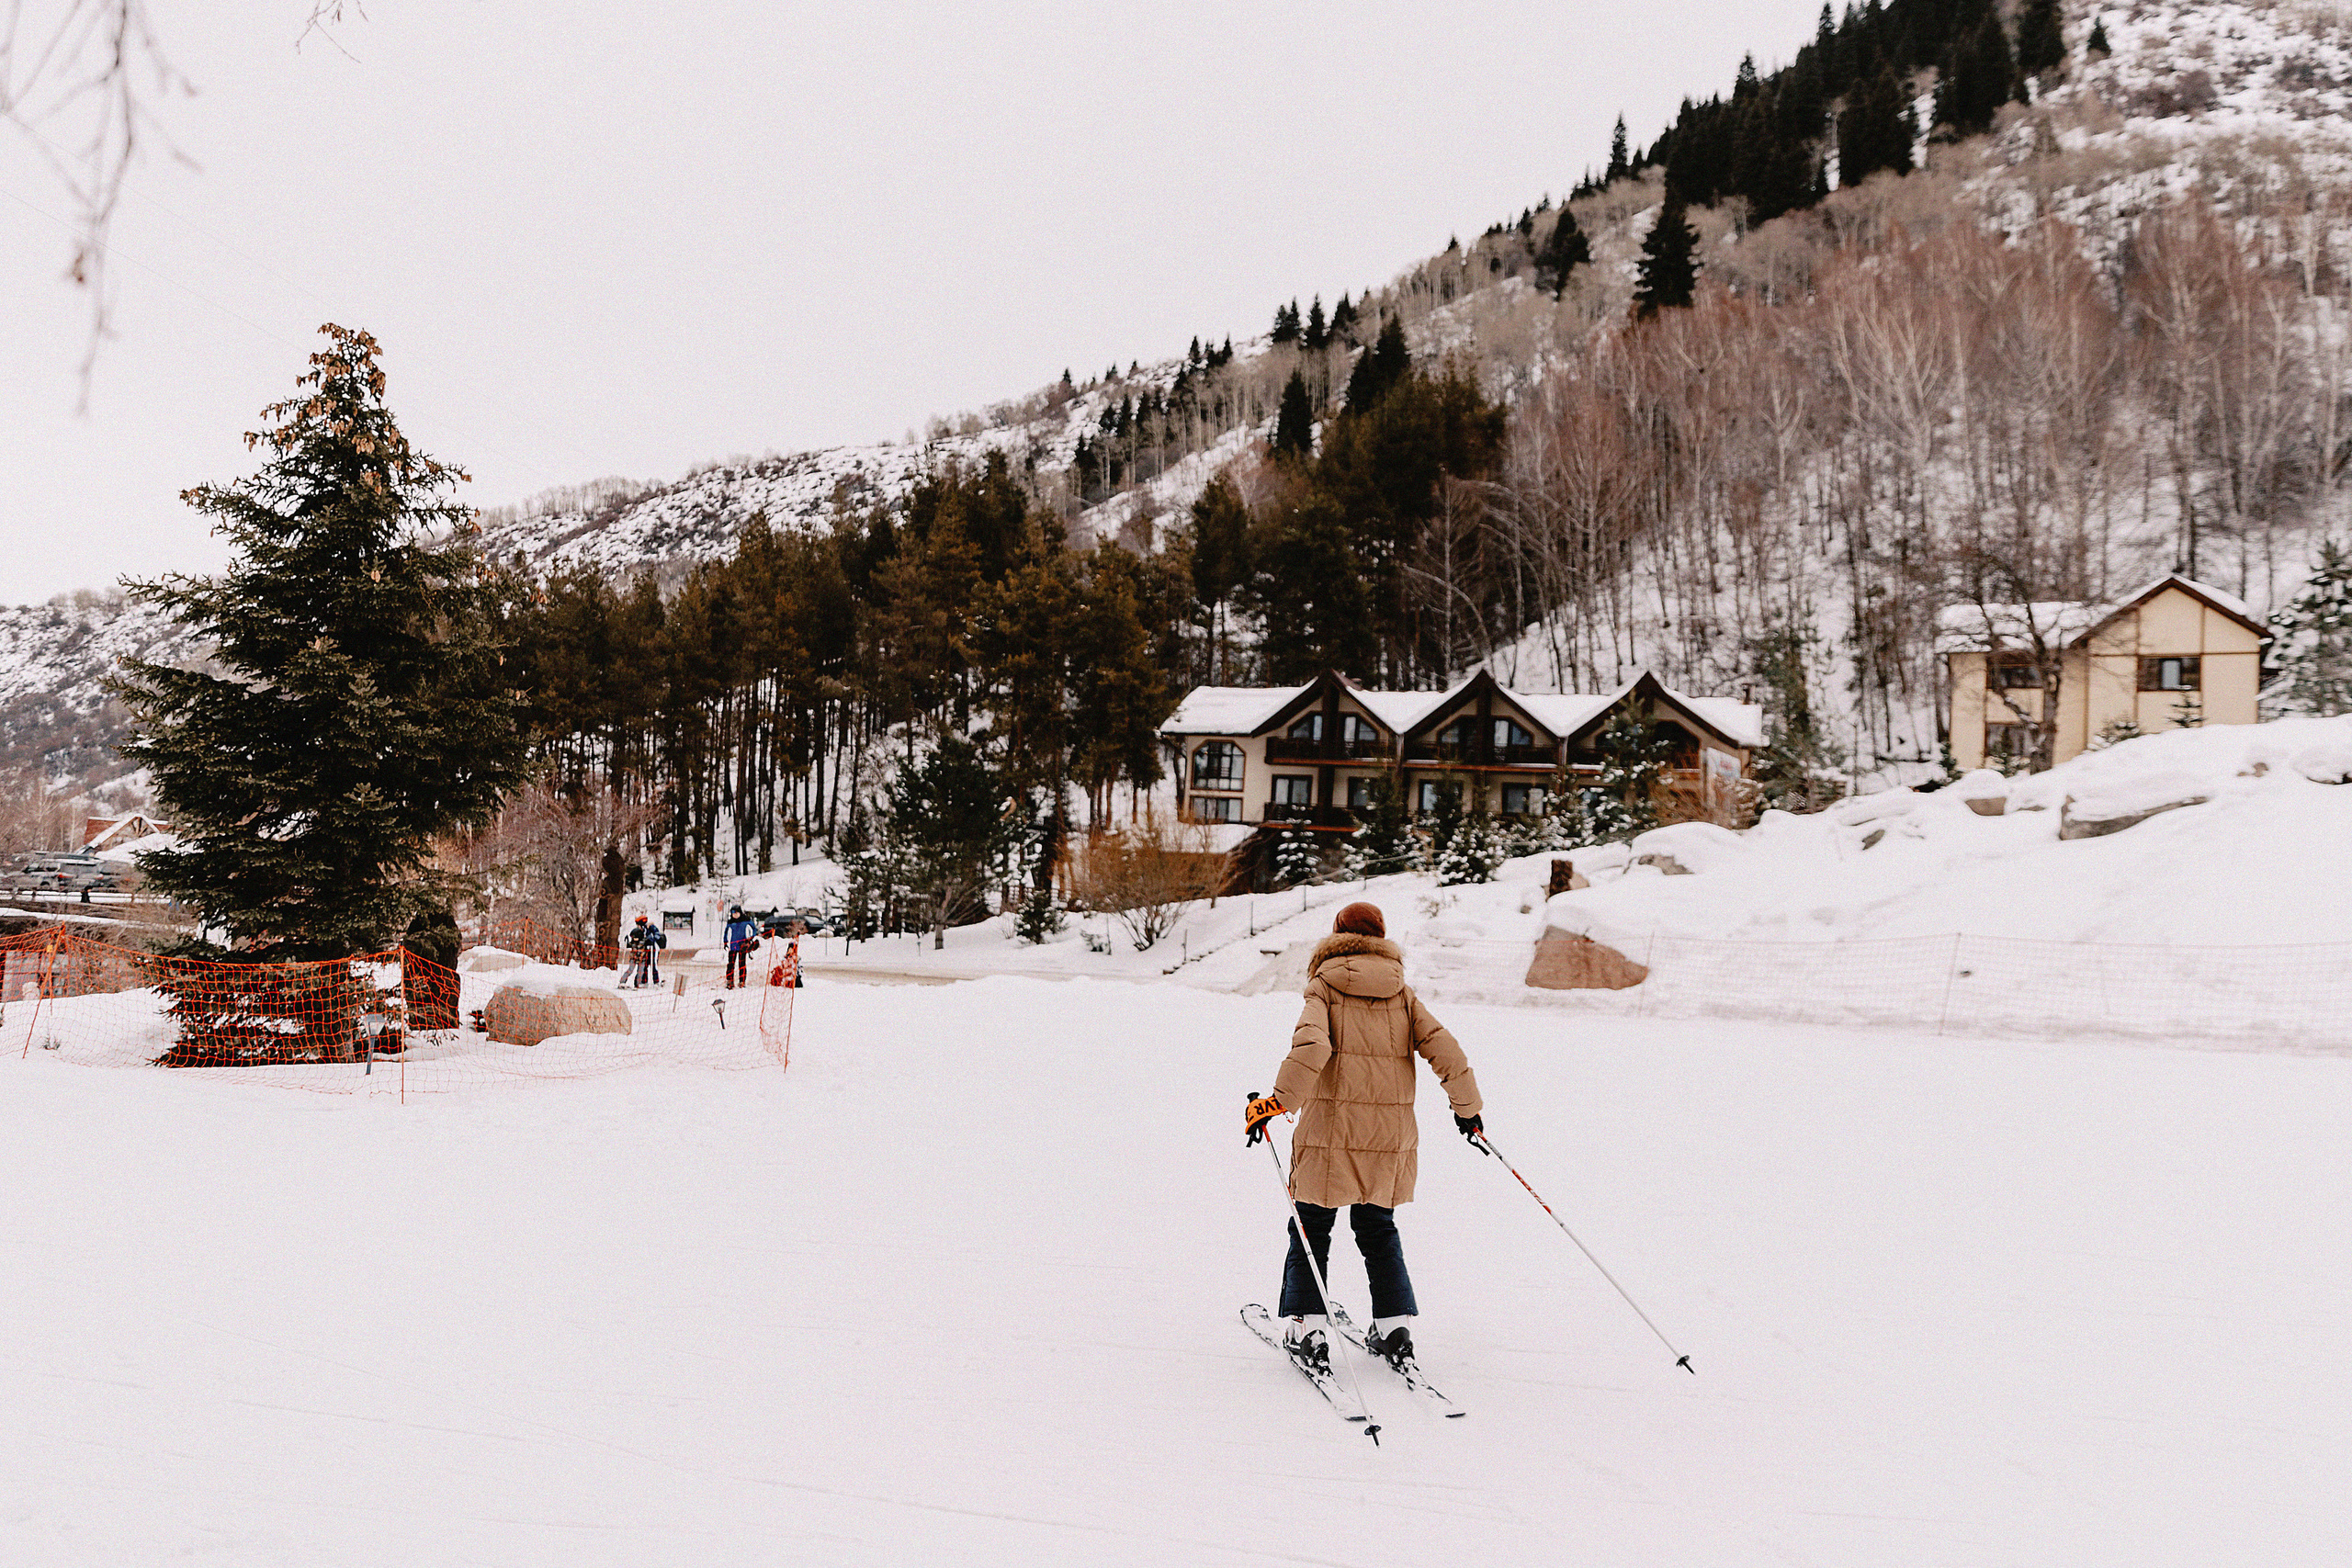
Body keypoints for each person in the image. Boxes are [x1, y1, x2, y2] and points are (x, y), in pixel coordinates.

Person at [1245, 901, 1482, 1376]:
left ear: (1337, 935)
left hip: (1330, 1137)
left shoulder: (1324, 987)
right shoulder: (1402, 993)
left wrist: (1276, 1103)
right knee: (1378, 1230)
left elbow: (1313, 1047)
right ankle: (1394, 1328)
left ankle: (1307, 1327)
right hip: (1389, 1139)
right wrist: (1468, 1110)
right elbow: (1447, 1050)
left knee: (1311, 1227)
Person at [625, 913, 665, 988]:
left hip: (653, 948)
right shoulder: (642, 930)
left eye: (638, 925)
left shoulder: (651, 927)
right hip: (645, 948)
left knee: (653, 964)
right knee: (645, 963)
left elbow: (657, 934)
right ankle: (644, 980)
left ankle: (656, 981)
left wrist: (652, 940)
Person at [723, 904, 759, 989]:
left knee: (742, 964)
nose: (734, 915)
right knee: (730, 964)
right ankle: (729, 981)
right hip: (733, 945)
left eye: (736, 913)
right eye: (732, 913)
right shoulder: (731, 922)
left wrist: (751, 938)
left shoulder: (746, 920)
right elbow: (726, 932)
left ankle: (742, 981)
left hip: (743, 945)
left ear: (740, 912)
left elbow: (754, 929)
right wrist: (725, 942)